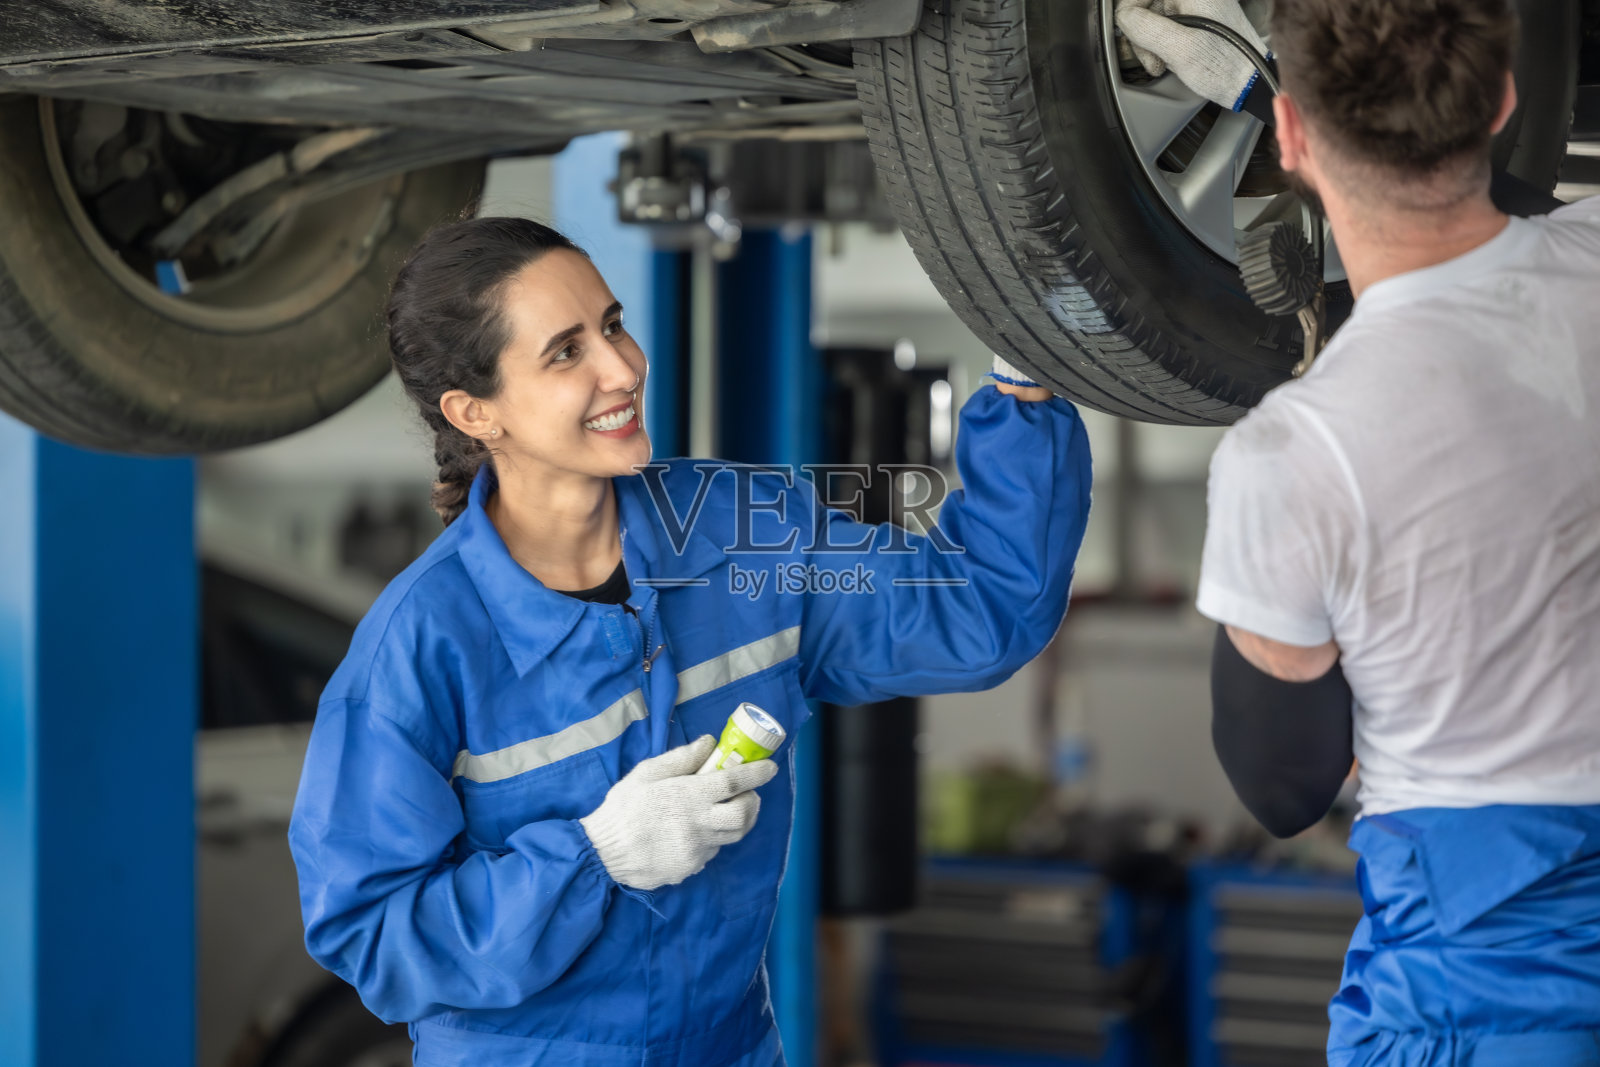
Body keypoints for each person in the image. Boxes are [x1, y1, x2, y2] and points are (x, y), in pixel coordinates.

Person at [287, 216, 1092, 1067]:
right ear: (473, 411)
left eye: (612, 325)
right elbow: (374, 936)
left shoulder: (740, 536)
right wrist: (593, 856)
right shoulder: (421, 646)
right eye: (566, 353)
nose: (623, 366)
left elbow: (981, 608)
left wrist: (1026, 370)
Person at [1118, 0, 1600, 1063]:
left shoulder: (1293, 456)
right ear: (1507, 102)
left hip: (1485, 985)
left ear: (1288, 139)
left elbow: (1283, 784)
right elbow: (1519, 216)